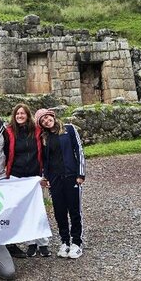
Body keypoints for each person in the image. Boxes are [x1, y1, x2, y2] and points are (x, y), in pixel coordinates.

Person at [34, 108, 86, 259]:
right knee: (59, 211)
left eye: (47, 117)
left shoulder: (69, 129)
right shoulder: (44, 137)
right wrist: (45, 176)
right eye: (42, 120)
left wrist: (81, 174)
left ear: (52, 116)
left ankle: (76, 242)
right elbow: (44, 159)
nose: (46, 121)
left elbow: (79, 150)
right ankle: (65, 241)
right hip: (55, 178)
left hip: (71, 176)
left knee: (74, 210)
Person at [3, 103, 52, 258]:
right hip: (16, 176)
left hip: (34, 176)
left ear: (27, 115)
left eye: (23, 113)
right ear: (14, 116)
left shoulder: (37, 131)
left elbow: (45, 152)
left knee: (38, 209)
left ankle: (43, 243)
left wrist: (44, 174)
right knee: (22, 210)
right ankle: (31, 242)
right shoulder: (9, 132)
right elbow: (5, 152)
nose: (20, 116)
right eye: (17, 113)